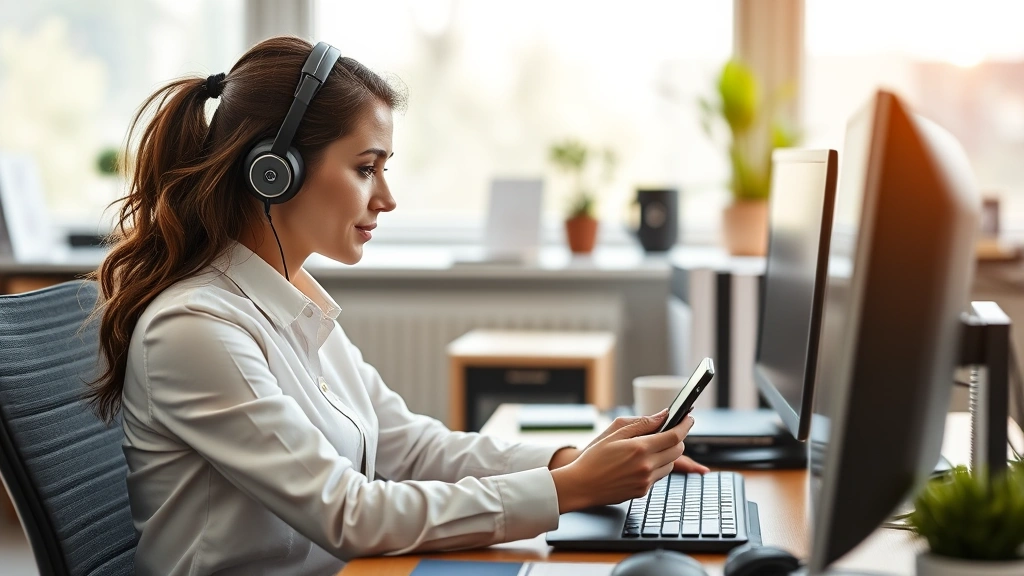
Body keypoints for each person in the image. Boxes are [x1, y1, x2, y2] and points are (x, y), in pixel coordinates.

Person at [86, 36, 707, 575]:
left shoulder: (293, 300)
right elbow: (346, 513)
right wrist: (564, 491)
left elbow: (407, 447)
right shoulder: (193, 329)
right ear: (274, 172)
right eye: (366, 168)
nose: (386, 197)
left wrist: (574, 461)